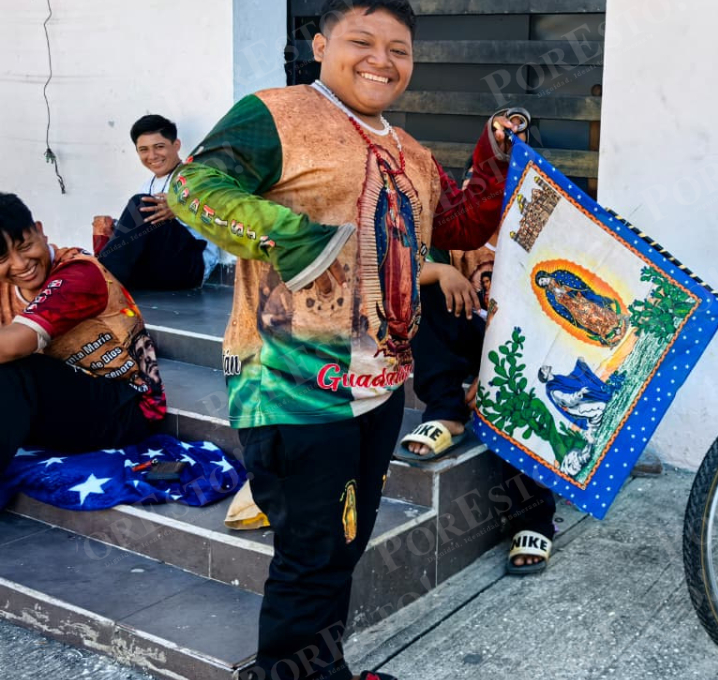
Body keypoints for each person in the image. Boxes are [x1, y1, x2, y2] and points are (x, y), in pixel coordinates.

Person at [165, 2, 524, 679]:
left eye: (399, 48)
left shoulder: (409, 150)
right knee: (311, 553)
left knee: (345, 543)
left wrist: (492, 154)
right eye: (362, 41)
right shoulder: (275, 112)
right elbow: (195, 184)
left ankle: (320, 669)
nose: (381, 61)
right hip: (290, 383)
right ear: (321, 43)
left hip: (380, 386)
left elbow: (459, 219)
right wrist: (298, 242)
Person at [399, 237, 559, 576]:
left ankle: (533, 519)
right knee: (426, 289)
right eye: (479, 180)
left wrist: (495, 370)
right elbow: (403, 269)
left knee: (518, 394)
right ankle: (447, 412)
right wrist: (442, 270)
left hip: (528, 347)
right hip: (470, 330)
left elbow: (551, 324)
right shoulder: (457, 226)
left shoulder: (543, 229)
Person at [0, 192, 166, 477]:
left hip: (126, 410)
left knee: (14, 368)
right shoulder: (5, 287)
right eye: (2, 257)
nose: (19, 264)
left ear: (40, 230)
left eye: (25, 246)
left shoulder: (79, 274)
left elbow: (12, 346)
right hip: (59, 406)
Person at [92, 115, 220, 290]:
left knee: (141, 205)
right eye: (144, 149)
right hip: (160, 269)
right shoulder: (148, 185)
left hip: (192, 267)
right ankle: (100, 277)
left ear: (176, 145)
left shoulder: (195, 176)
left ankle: (99, 282)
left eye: (159, 147)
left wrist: (179, 209)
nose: (152, 155)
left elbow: (220, 216)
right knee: (126, 218)